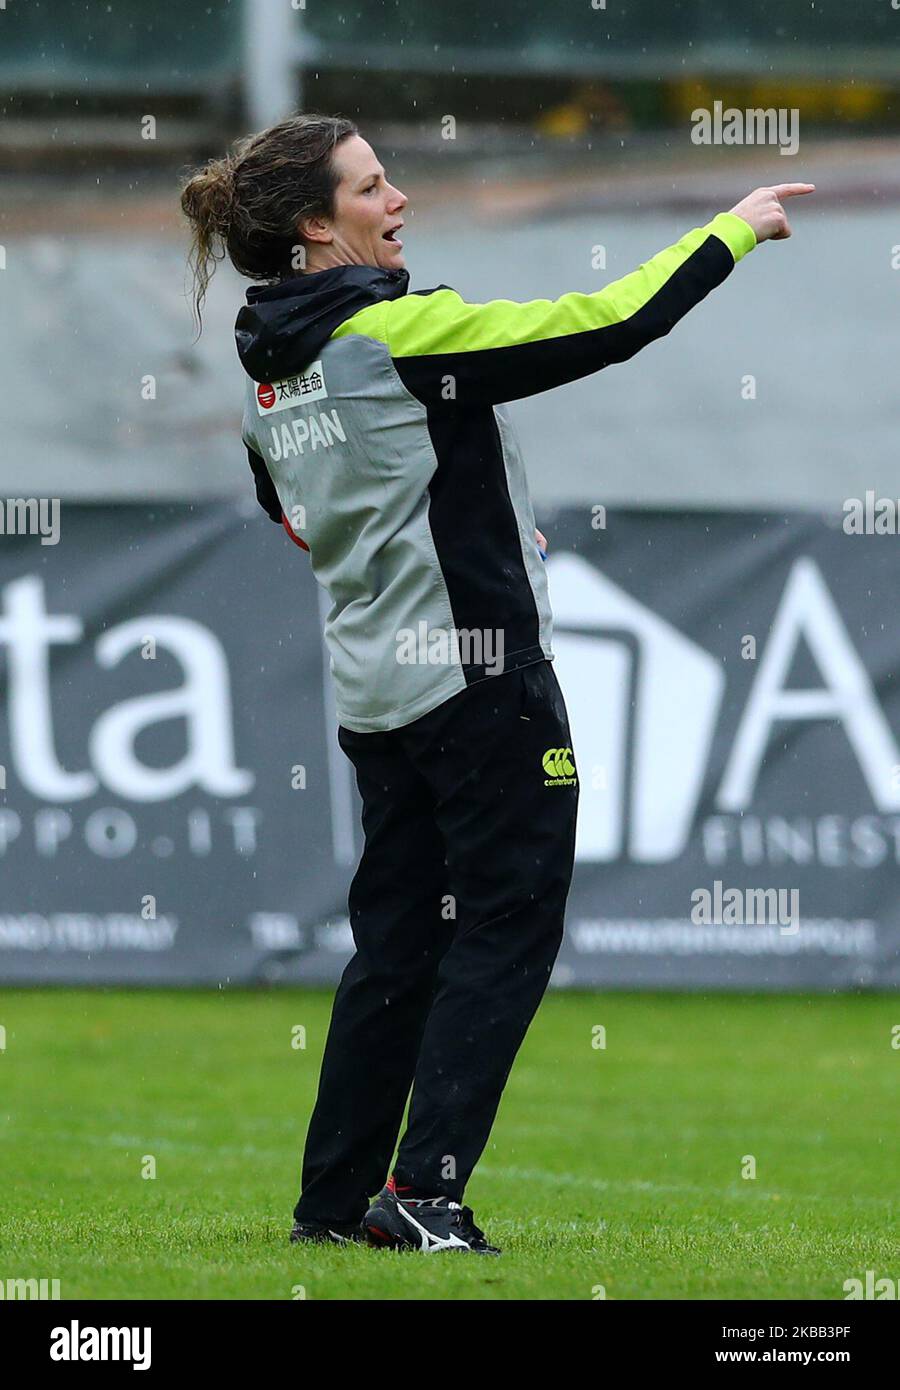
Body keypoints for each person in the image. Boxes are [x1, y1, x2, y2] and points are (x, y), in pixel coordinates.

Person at [181, 112, 813, 1254]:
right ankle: (425, 1191)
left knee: (396, 945)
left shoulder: (263, 380)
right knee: (509, 918)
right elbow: (601, 323)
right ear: (317, 226)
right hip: (480, 680)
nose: (400, 200)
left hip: (376, 693)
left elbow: (296, 524)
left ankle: (332, 1205)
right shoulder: (402, 333)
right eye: (374, 188)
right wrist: (728, 234)